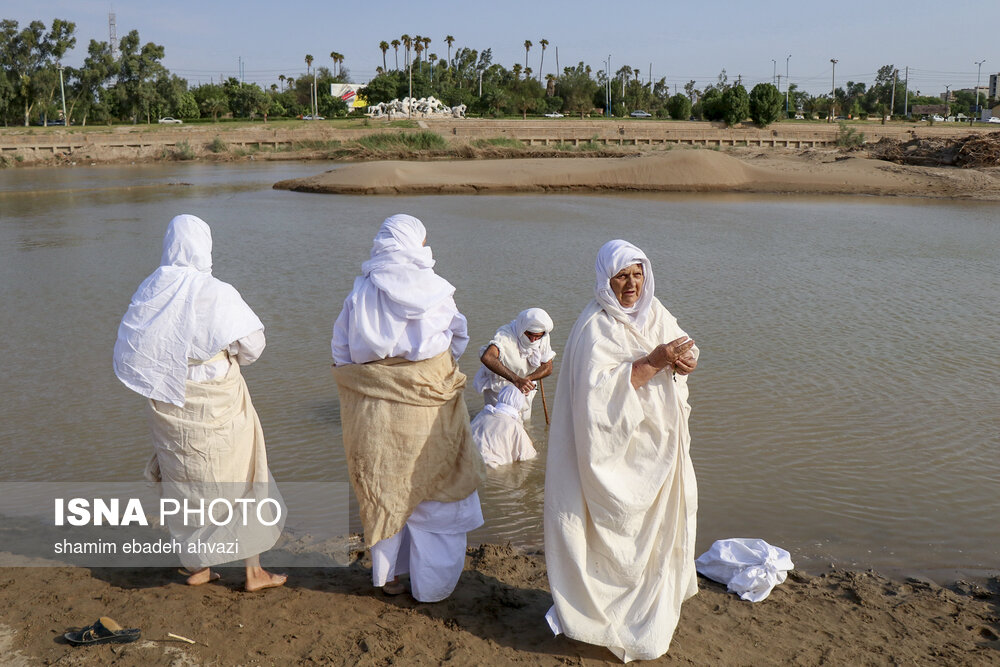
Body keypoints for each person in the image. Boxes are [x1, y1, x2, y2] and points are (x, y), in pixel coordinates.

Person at [543, 239, 699, 662]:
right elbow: (595, 402)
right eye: (621, 276)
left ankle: (651, 625)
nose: (631, 285)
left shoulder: (656, 311)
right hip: (616, 460)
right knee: (613, 537)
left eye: (637, 274)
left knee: (660, 538)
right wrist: (652, 361)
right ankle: (603, 619)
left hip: (661, 451)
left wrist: (684, 361)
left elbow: (685, 346)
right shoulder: (594, 327)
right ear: (605, 279)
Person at [113, 214, 287, 592]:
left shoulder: (150, 290)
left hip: (169, 401)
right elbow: (254, 345)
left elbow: (131, 349)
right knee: (241, 476)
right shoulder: (217, 291)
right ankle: (254, 572)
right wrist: (224, 353)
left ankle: (199, 565)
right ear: (204, 247)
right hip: (219, 398)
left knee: (186, 479)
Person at [331, 213, 485, 602]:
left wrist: (377, 378)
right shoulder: (438, 290)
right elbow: (459, 338)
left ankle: (392, 578)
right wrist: (429, 372)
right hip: (431, 403)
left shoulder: (359, 293)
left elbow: (341, 352)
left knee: (386, 488)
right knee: (438, 492)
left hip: (376, 410)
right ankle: (431, 588)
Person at [472, 308, 555, 421]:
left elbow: (548, 367)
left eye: (537, 336)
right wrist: (516, 379)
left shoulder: (543, 338)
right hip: (501, 388)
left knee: (525, 422)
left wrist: (527, 379)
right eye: (529, 334)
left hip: (526, 387)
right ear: (522, 329)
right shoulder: (505, 335)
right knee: (499, 422)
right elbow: (487, 357)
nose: (532, 339)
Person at [469, 384, 537, 468]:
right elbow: (529, 457)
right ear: (519, 403)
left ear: (500, 396)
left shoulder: (482, 414)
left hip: (466, 461)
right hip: (492, 469)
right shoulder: (515, 426)